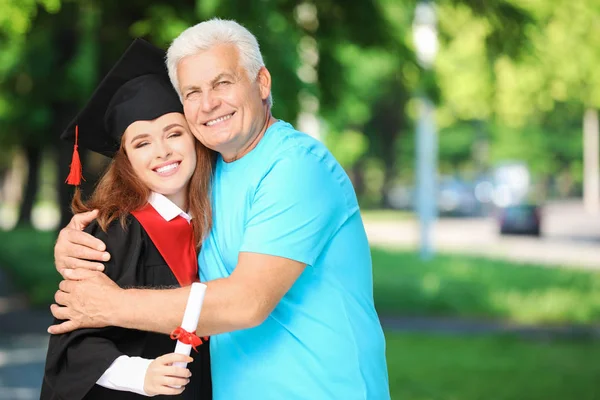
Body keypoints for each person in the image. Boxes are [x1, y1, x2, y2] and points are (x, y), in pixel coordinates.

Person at [50, 19, 390, 399]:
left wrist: (111, 305)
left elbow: (247, 302)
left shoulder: (296, 167)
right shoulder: (208, 172)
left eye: (222, 83)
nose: (209, 103)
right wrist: (74, 243)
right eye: (192, 92)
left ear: (262, 83)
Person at [41, 39, 213, 399]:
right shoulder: (111, 234)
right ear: (126, 160)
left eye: (174, 133)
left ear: (195, 138)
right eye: (142, 143)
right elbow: (72, 342)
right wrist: (142, 374)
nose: (162, 151)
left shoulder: (216, 217)